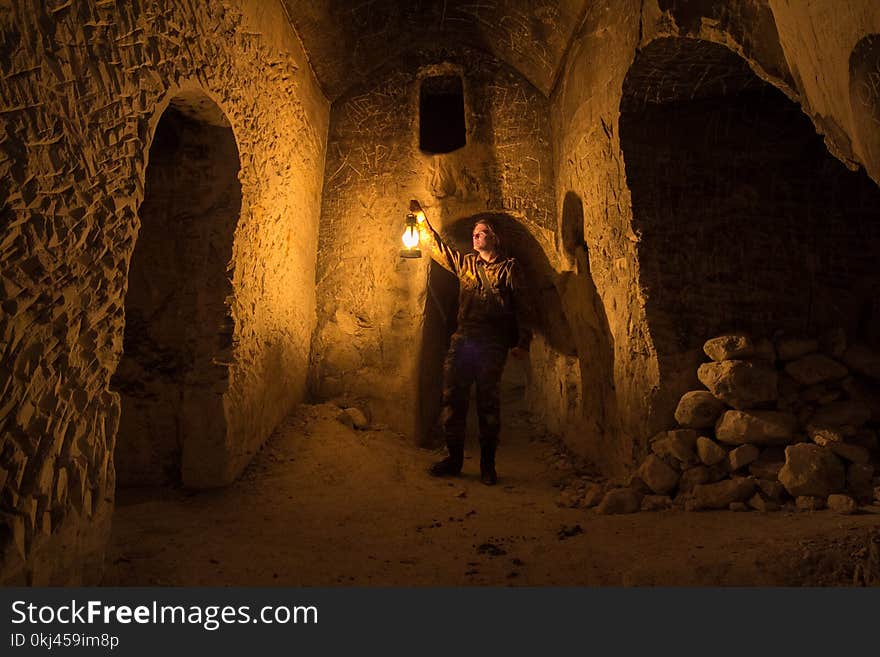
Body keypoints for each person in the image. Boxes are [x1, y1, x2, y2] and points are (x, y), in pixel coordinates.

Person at [412, 200, 531, 485]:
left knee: (488, 404)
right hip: (464, 339)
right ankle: (453, 460)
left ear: (495, 238)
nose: (476, 236)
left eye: (483, 232)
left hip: (492, 343)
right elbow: (438, 249)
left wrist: (523, 342)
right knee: (453, 398)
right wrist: (419, 219)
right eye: (475, 233)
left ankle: (487, 466)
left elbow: (524, 307)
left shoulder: (509, 269)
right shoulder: (466, 263)